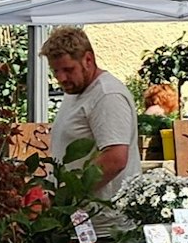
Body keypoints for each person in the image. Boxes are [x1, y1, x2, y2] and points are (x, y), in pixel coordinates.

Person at [42, 26, 140, 200]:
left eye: (68, 69)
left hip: (104, 213)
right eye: (55, 71)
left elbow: (115, 158)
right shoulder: (76, 91)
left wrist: (65, 197)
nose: (61, 78)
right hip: (79, 211)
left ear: (88, 59)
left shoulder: (107, 95)